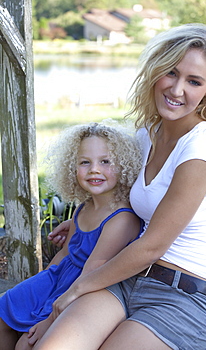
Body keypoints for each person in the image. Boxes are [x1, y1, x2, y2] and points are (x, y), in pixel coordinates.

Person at [34, 23, 206, 350]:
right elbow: (124, 201)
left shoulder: (201, 150)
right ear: (156, 71)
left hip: (183, 297)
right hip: (127, 277)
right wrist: (81, 222)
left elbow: (152, 246)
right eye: (171, 73)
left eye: (194, 81)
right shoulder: (147, 135)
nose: (176, 90)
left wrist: (77, 288)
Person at [0, 122, 144, 350]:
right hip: (59, 278)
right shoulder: (83, 209)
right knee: (3, 309)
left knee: (25, 345)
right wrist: (41, 286)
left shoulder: (121, 219)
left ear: (124, 165)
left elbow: (91, 273)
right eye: (85, 162)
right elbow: (65, 254)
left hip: (84, 288)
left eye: (105, 161)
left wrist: (49, 321)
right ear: (72, 168)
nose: (94, 169)